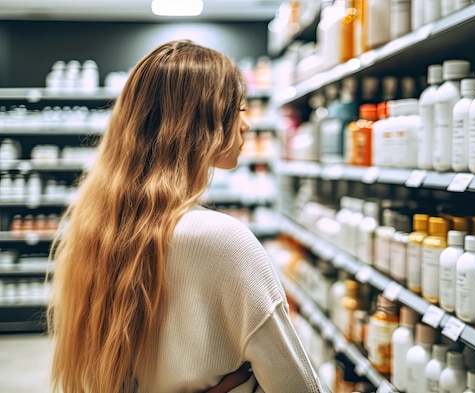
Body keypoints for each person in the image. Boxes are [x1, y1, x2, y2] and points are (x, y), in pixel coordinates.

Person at [47, 39, 323, 393]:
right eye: (238, 109)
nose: (247, 125)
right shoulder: (223, 240)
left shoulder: (97, 228)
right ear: (201, 123)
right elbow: (298, 386)